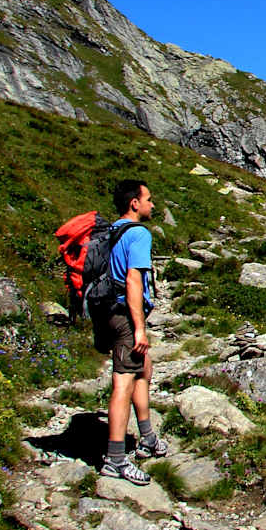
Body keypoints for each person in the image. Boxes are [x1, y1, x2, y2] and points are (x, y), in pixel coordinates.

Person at [95, 179, 167, 485]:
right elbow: (133, 280)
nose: (153, 204)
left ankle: (147, 437)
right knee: (123, 382)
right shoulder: (138, 233)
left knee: (143, 369)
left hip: (108, 310)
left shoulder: (112, 230)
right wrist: (139, 329)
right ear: (134, 203)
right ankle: (115, 460)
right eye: (148, 199)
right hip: (125, 315)